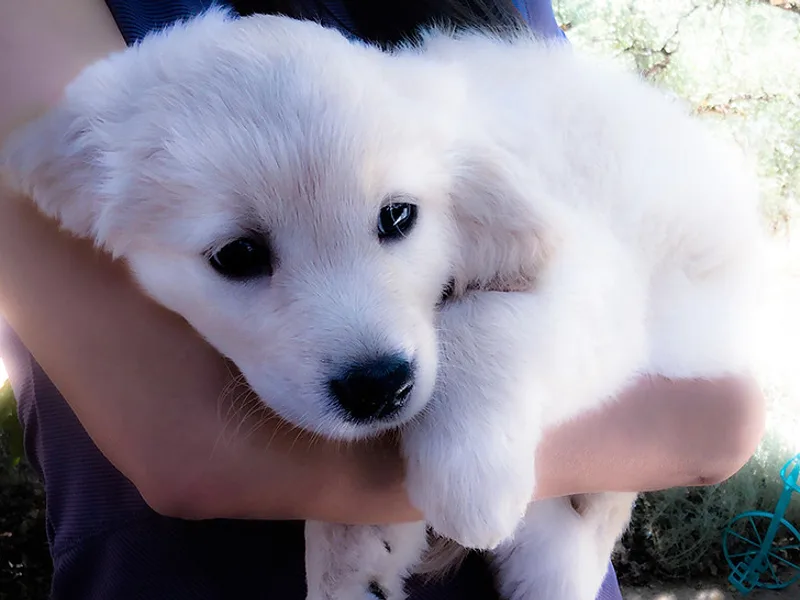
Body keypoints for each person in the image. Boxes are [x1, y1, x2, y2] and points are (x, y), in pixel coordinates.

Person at [0, 0, 766, 598]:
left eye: (394, 218)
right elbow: (191, 456)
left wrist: (488, 384)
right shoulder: (68, 70)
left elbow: (708, 398)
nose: (365, 340)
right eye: (239, 254)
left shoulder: (466, 78)